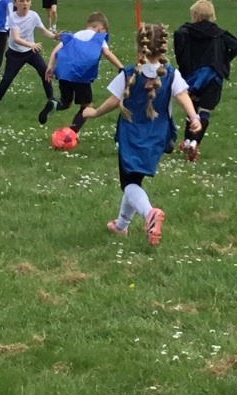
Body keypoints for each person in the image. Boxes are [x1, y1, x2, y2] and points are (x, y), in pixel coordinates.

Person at [79, 23, 202, 247]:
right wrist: (194, 117)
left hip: (131, 135)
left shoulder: (128, 74)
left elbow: (114, 101)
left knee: (128, 183)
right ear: (163, 47)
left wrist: (94, 113)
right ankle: (121, 225)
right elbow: (183, 95)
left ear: (139, 47)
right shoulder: (171, 74)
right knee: (134, 180)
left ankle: (149, 213)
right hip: (158, 135)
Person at [173, 0, 237, 161]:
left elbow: (181, 54)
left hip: (192, 77)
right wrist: (223, 60)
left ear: (195, 15)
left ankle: (188, 140)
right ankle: (194, 143)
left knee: (191, 109)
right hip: (213, 77)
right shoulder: (219, 33)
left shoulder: (185, 32)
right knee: (204, 111)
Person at [0, 0, 58, 123]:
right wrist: (31, 44)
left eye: (27, 0)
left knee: (45, 72)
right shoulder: (13, 18)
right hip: (15, 54)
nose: (25, 3)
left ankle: (51, 99)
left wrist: (55, 36)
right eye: (21, 1)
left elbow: (44, 31)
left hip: (31, 53)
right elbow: (16, 38)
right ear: (15, 3)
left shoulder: (34, 15)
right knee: (7, 79)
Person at [49, 12, 125, 134]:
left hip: (64, 73)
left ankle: (54, 104)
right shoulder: (98, 38)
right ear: (100, 28)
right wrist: (121, 68)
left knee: (66, 102)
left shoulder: (74, 35)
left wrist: (50, 67)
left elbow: (56, 50)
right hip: (81, 74)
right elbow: (107, 53)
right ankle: (71, 132)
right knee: (87, 105)